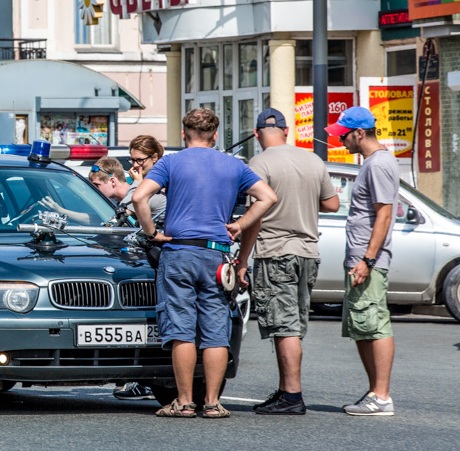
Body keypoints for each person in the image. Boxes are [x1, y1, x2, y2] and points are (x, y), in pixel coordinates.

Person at [133, 108, 277, 419]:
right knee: (215, 330)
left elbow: (139, 197)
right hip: (216, 255)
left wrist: (152, 233)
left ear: (184, 135)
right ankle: (213, 402)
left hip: (179, 252)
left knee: (182, 329)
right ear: (214, 137)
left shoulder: (171, 162)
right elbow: (268, 197)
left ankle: (184, 401)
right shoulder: (233, 165)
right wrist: (240, 225)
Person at [235, 108, 340, 415]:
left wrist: (243, 261)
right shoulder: (312, 160)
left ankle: (292, 396)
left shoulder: (259, 163)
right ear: (286, 131)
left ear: (257, 135)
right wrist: (303, 196)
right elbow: (332, 203)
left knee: (285, 327)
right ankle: (285, 391)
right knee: (293, 324)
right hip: (308, 251)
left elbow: (254, 218)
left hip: (276, 250)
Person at [325, 107, 399, 416]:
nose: (340, 140)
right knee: (362, 326)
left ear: (359, 133)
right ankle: (374, 392)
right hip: (360, 258)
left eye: (343, 135)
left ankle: (381, 396)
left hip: (367, 260)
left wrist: (368, 259)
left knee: (374, 323)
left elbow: (383, 213)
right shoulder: (374, 162)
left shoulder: (378, 164)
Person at [113, 135, 167, 403]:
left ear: (154, 158)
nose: (134, 165)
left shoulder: (159, 182)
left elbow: (132, 204)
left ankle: (148, 380)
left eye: (139, 160)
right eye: (131, 160)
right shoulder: (150, 180)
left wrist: (136, 183)